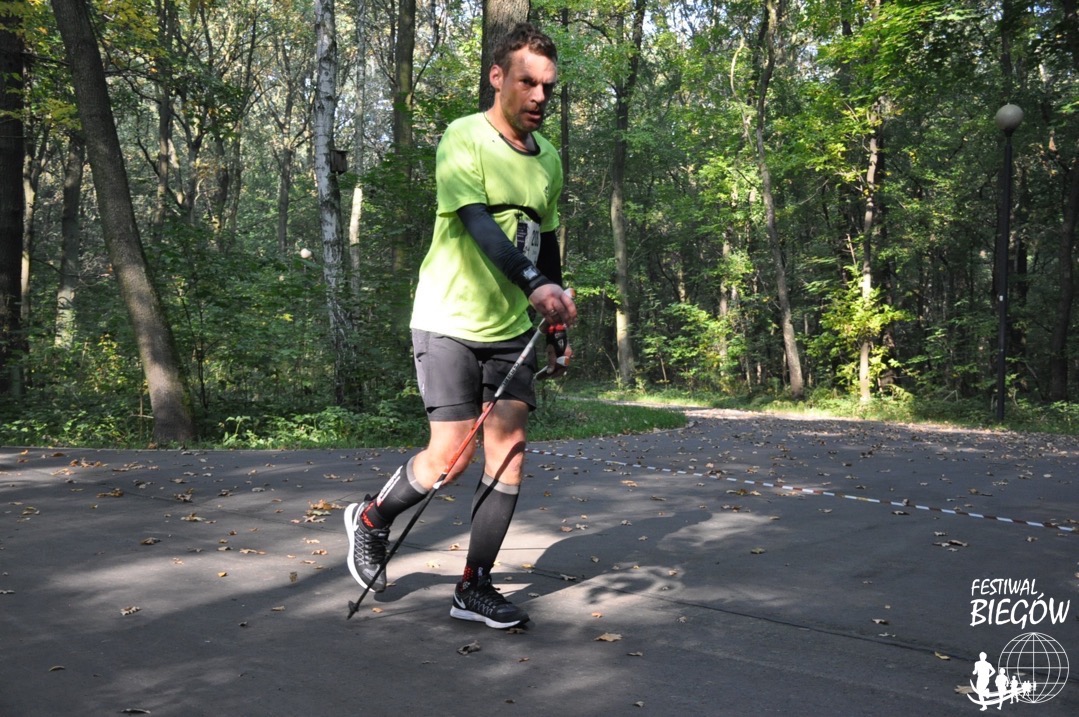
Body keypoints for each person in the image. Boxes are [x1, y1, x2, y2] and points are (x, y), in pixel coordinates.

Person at [344, 22, 576, 630]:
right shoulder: (463, 136)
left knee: (509, 455)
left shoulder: (549, 159)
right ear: (498, 77)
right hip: (447, 317)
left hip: (511, 327)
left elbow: (546, 242)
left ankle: (473, 585)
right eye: (527, 82)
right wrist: (534, 283)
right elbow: (478, 224)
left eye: (548, 87)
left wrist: (554, 323)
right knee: (450, 459)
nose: (539, 97)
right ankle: (371, 518)